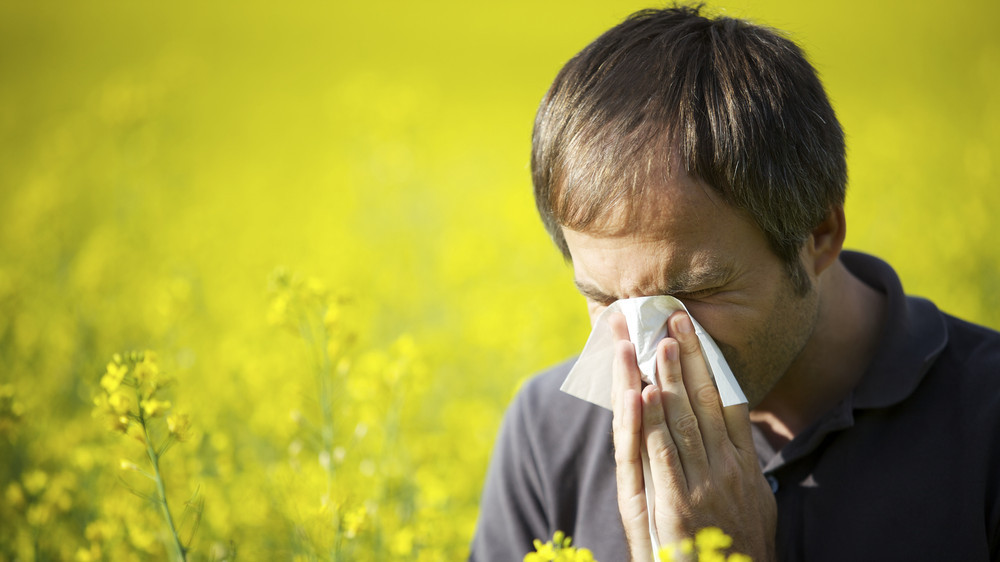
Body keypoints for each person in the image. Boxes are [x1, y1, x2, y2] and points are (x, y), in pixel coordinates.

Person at [469, 5, 1000, 562]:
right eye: (603, 298)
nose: (651, 354)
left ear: (818, 234)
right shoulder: (547, 435)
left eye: (695, 291)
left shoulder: (984, 428)